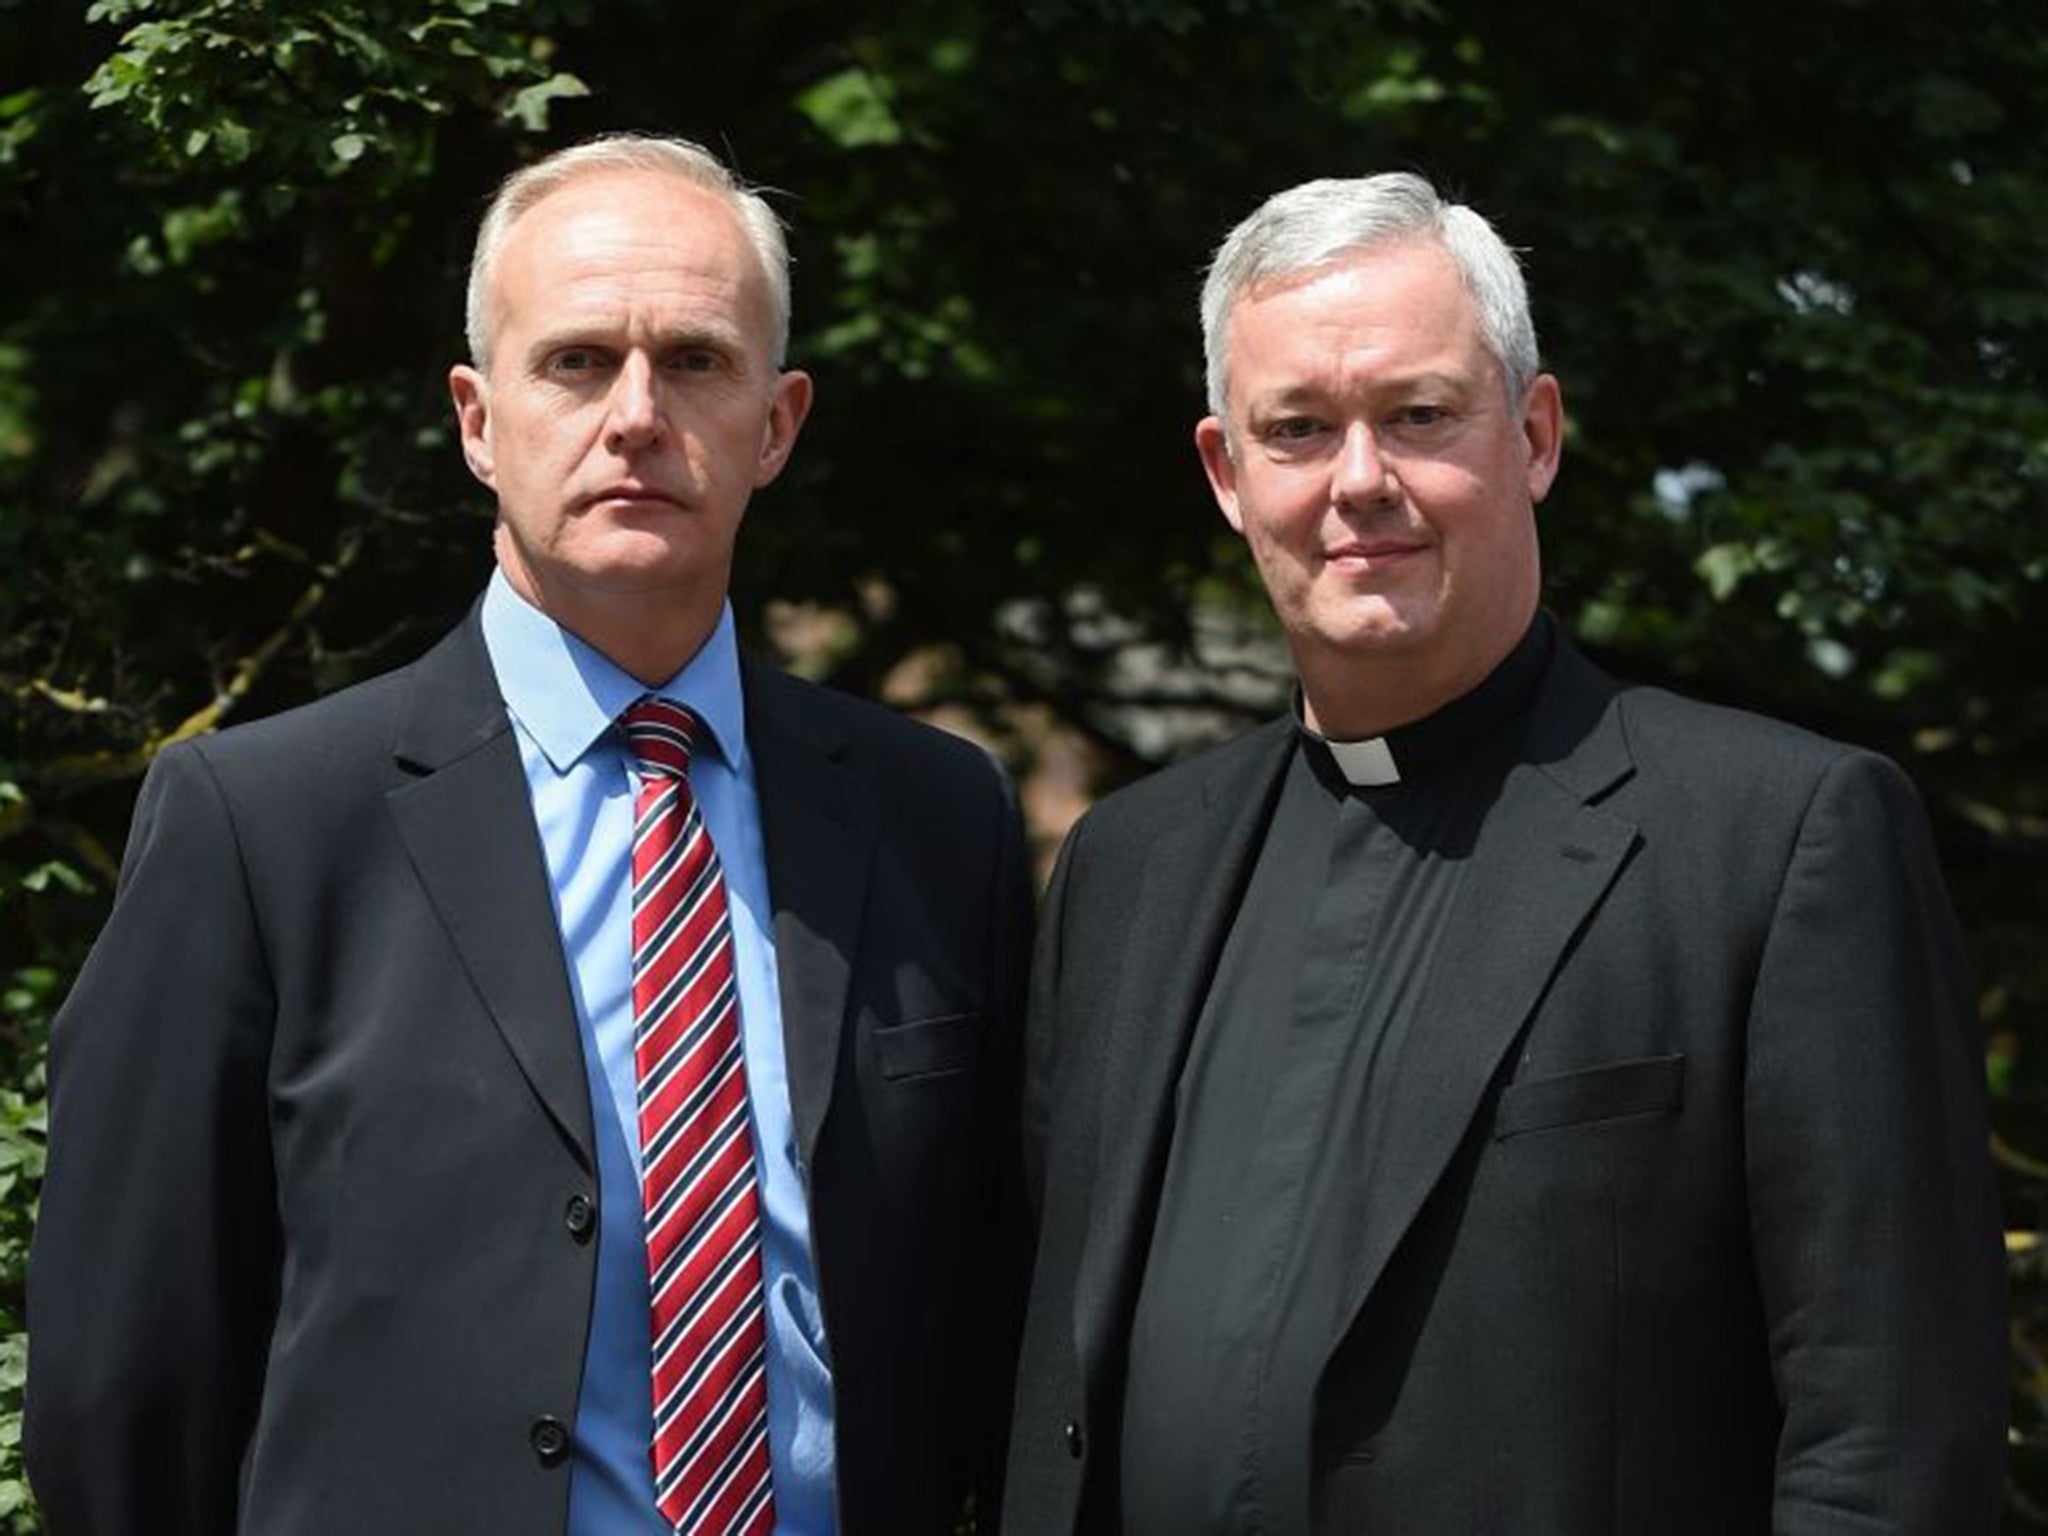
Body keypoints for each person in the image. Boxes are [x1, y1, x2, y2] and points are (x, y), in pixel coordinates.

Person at [27, 134, 1031, 1536]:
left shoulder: (938, 819)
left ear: (778, 423)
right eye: (574, 362)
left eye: (695, 362)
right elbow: (126, 1386)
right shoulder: (264, 825)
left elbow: (993, 1316)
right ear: (477, 418)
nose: (635, 416)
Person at [1004, 173, 2007, 1534]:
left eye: (1418, 416)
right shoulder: (1127, 870)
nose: (1361, 482)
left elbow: (1890, 1445)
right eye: (1297, 431)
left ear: (1533, 434)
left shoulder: (1776, 841)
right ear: (1227, 477)